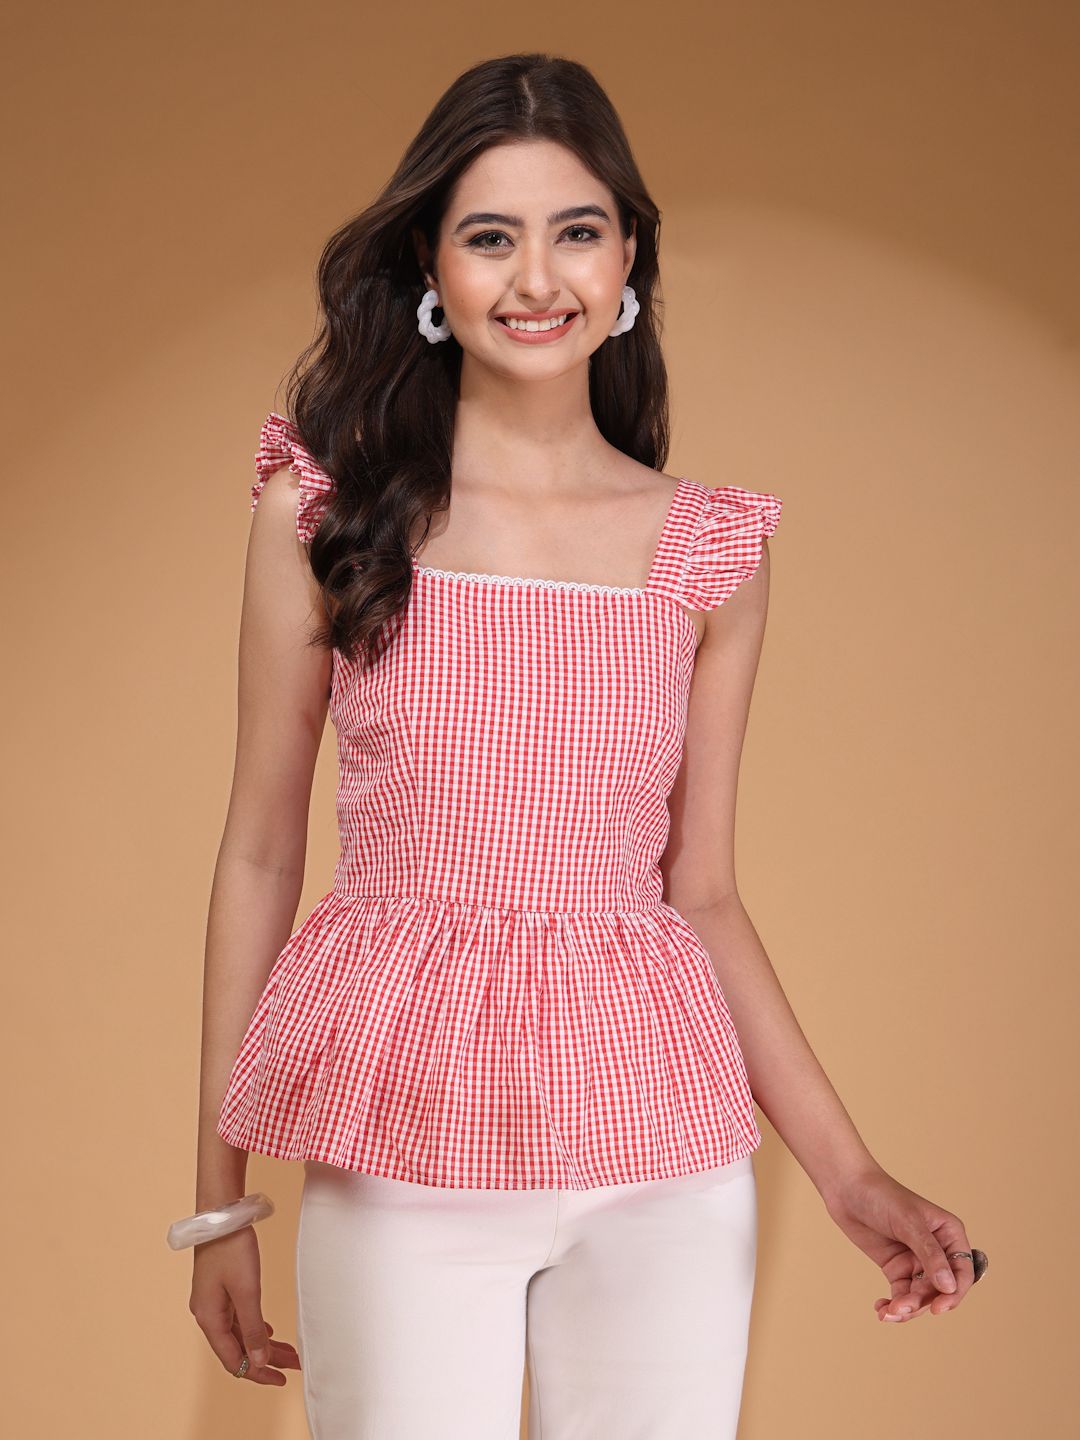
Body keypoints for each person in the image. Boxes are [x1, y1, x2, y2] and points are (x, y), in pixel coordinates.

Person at [182, 51, 985, 1440]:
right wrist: (219, 1204)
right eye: (491, 236)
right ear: (430, 264)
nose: (538, 278)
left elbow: (702, 893)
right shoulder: (328, 516)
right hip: (406, 1142)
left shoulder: (707, 550)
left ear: (628, 263)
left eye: (578, 231)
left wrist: (851, 1177)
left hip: (666, 1167)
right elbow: (260, 853)